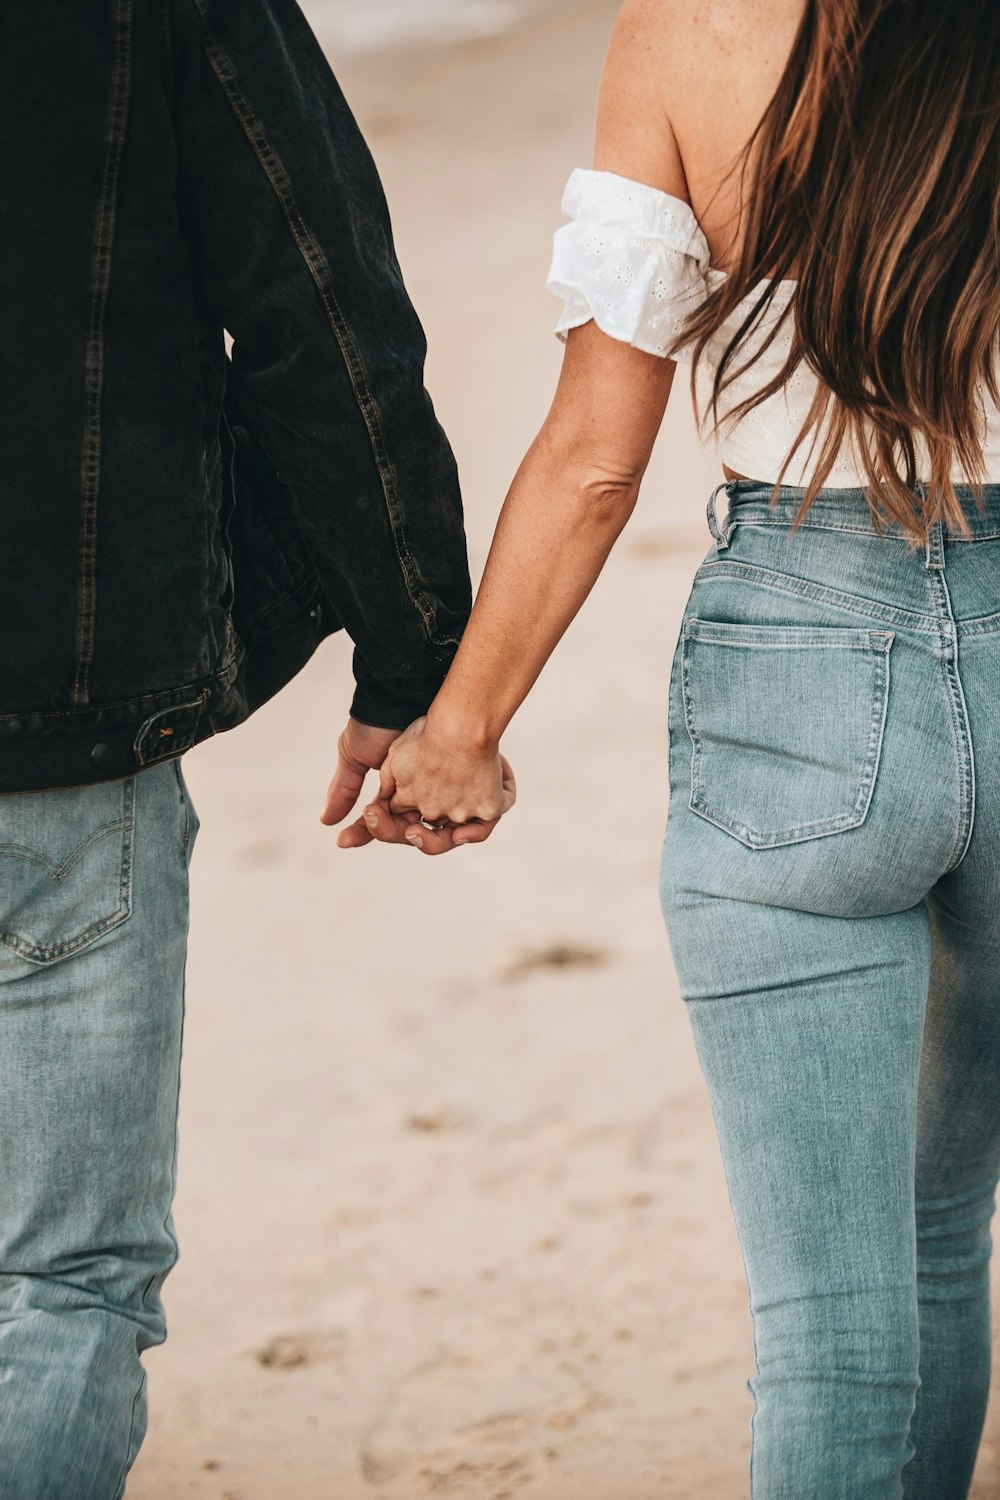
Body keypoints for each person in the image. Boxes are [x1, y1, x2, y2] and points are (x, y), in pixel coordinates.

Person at [363, 0, 1000, 1494]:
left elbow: (596, 454)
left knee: (829, 1315)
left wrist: (464, 725)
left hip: (801, 656)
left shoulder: (687, 32)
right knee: (939, 1233)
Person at [0, 2, 482, 1495]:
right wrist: (415, 655)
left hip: (79, 727)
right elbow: (317, 310)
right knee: (57, 1286)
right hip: (65, 738)